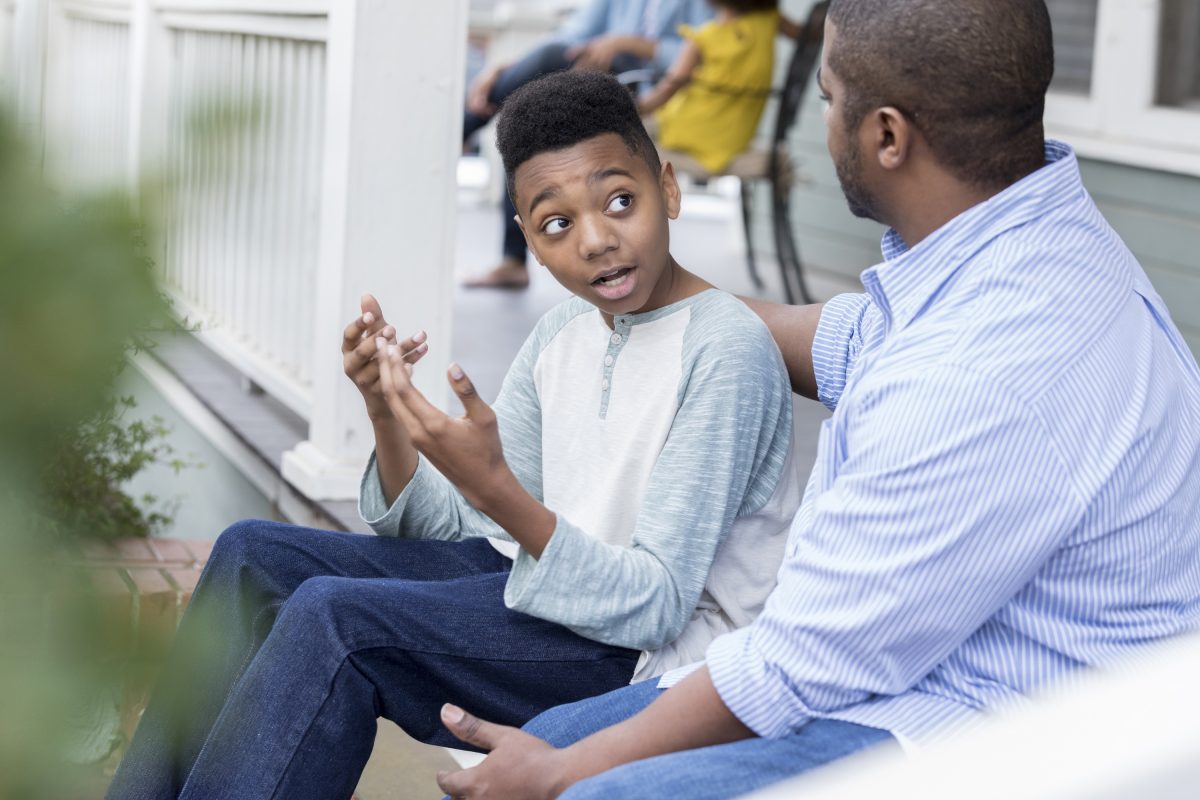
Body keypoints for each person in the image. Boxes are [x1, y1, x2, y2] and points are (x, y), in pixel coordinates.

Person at [433, 1, 1200, 798]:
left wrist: (563, 772)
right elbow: (850, 337)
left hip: (1020, 733)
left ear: (889, 136)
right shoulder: (1027, 241)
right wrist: (656, 306)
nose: (824, 120)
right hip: (945, 658)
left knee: (585, 786)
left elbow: (798, 664)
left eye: (830, 99)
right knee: (556, 734)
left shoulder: (973, 378)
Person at [105, 71, 801, 799]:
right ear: (529, 237)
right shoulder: (563, 330)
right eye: (557, 222)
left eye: (620, 200)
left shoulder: (725, 349)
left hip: (643, 657)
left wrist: (496, 488)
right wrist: (386, 413)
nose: (597, 240)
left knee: (336, 621)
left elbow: (657, 602)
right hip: (539, 591)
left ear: (669, 188)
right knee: (253, 553)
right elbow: (470, 532)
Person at [461, 0, 714, 289]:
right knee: (531, 110)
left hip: (651, 91)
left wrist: (626, 44)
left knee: (539, 74)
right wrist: (507, 66)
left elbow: (704, 54)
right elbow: (571, 37)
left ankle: (463, 129)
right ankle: (514, 261)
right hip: (596, 79)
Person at [637, 0, 797, 173]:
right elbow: (807, 34)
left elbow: (666, 89)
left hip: (694, 132)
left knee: (627, 132)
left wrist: (635, 107)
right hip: (736, 136)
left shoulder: (704, 39)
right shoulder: (770, 20)